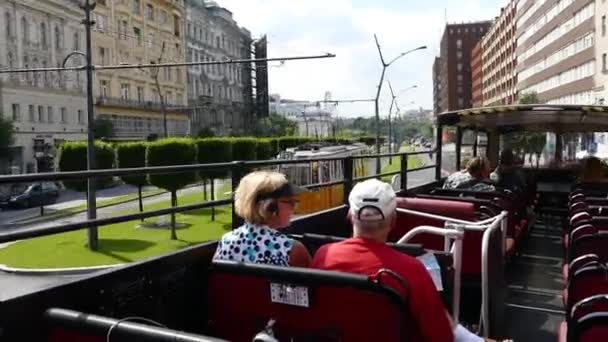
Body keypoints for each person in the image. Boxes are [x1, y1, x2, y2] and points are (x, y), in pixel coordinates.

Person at [311, 179, 506, 342]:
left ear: (350, 217)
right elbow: (442, 336)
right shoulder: (412, 270)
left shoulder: (323, 255)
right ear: (393, 221)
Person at [213, 170, 311, 267]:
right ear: (267, 206)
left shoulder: (226, 240)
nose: (295, 206)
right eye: (289, 201)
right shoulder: (291, 249)